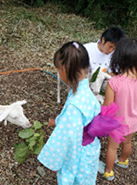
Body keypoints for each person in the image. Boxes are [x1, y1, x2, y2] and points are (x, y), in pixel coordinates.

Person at [38, 41, 101, 185]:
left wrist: (56, 161)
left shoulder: (74, 106)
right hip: (90, 150)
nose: (59, 73)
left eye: (59, 69)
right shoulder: (85, 92)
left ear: (66, 69)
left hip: (78, 154)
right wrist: (58, 120)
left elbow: (68, 137)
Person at [102, 37, 137, 181]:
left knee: (112, 148)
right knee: (127, 142)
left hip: (117, 124)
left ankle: (108, 171)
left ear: (119, 58)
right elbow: (136, 95)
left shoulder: (114, 83)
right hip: (133, 121)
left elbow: (107, 107)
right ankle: (123, 161)